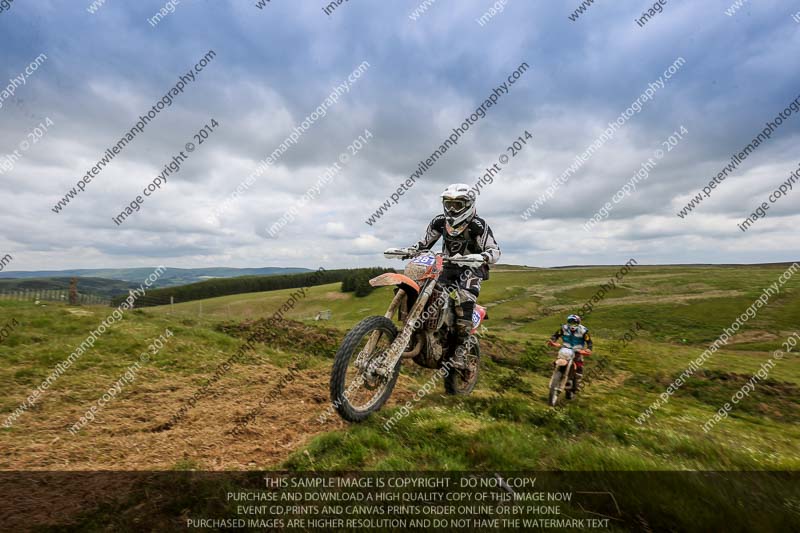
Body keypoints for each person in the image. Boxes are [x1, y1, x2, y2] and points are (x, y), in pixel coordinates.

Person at [407, 183, 500, 367]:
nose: (451, 209)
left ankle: (461, 350)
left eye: (457, 205)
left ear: (468, 204)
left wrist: (482, 256)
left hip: (472, 268)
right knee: (426, 289)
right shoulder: (439, 221)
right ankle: (424, 328)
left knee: (464, 299)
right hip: (447, 266)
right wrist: (411, 250)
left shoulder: (478, 225)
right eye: (448, 204)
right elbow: (424, 243)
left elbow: (494, 250)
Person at [550, 314, 593, 393]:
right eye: (570, 322)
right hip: (565, 349)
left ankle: (578, 382)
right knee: (556, 361)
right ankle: (556, 374)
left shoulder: (583, 331)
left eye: (574, 322)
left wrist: (588, 349)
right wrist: (552, 341)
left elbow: (589, 342)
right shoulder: (563, 328)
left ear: (578, 323)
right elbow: (555, 335)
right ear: (568, 322)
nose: (572, 324)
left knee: (579, 365)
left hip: (577, 351)